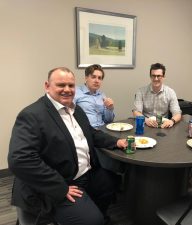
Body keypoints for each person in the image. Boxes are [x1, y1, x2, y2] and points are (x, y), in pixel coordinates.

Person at [8, 67, 127, 225]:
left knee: (111, 182)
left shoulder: (76, 110)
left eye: (71, 85)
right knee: (93, 221)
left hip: (85, 173)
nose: (67, 90)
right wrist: (61, 188)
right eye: (61, 85)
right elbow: (20, 160)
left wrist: (116, 142)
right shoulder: (32, 115)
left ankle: (96, 213)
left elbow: (91, 133)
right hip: (61, 181)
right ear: (47, 86)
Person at [133, 63, 182, 128]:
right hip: (146, 124)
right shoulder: (141, 91)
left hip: (163, 126)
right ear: (150, 76)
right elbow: (136, 112)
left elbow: (177, 113)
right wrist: (145, 120)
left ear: (163, 76)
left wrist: (171, 121)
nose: (156, 79)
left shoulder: (170, 92)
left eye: (159, 76)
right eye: (153, 76)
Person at [74, 64, 115, 129]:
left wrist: (110, 108)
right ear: (86, 78)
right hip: (86, 131)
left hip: (102, 130)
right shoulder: (76, 92)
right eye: (93, 77)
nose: (97, 81)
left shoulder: (102, 95)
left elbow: (108, 120)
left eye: (99, 78)